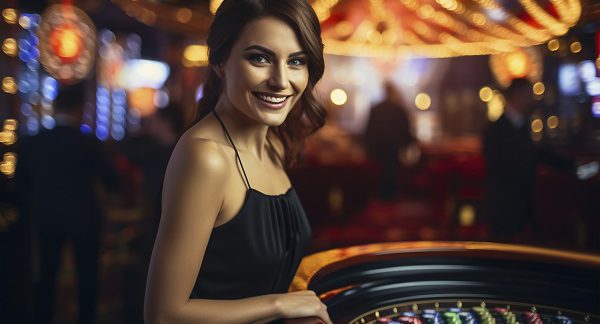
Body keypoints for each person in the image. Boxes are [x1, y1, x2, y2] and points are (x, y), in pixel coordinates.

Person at [144, 1, 332, 323]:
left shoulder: (272, 140)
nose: (280, 80)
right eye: (260, 58)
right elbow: (163, 315)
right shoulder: (205, 157)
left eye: (296, 61)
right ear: (219, 61)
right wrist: (281, 305)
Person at [15, 82, 121, 324]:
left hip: (46, 218)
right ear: (79, 109)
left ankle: (43, 318)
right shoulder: (87, 142)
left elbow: (20, 184)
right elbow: (111, 180)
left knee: (46, 277)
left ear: (54, 107)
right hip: (85, 218)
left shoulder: (33, 141)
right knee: (87, 279)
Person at [482, 78, 573, 242]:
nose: (533, 99)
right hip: (505, 209)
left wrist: (573, 166)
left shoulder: (521, 126)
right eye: (529, 94)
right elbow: (508, 166)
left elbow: (539, 155)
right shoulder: (497, 130)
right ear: (518, 95)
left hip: (521, 208)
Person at [364, 81, 415, 201]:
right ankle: (390, 197)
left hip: (378, 148)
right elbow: (406, 130)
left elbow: (368, 130)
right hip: (393, 148)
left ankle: (381, 197)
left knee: (381, 173)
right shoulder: (399, 109)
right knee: (391, 173)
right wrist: (409, 144)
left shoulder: (376, 108)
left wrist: (368, 147)